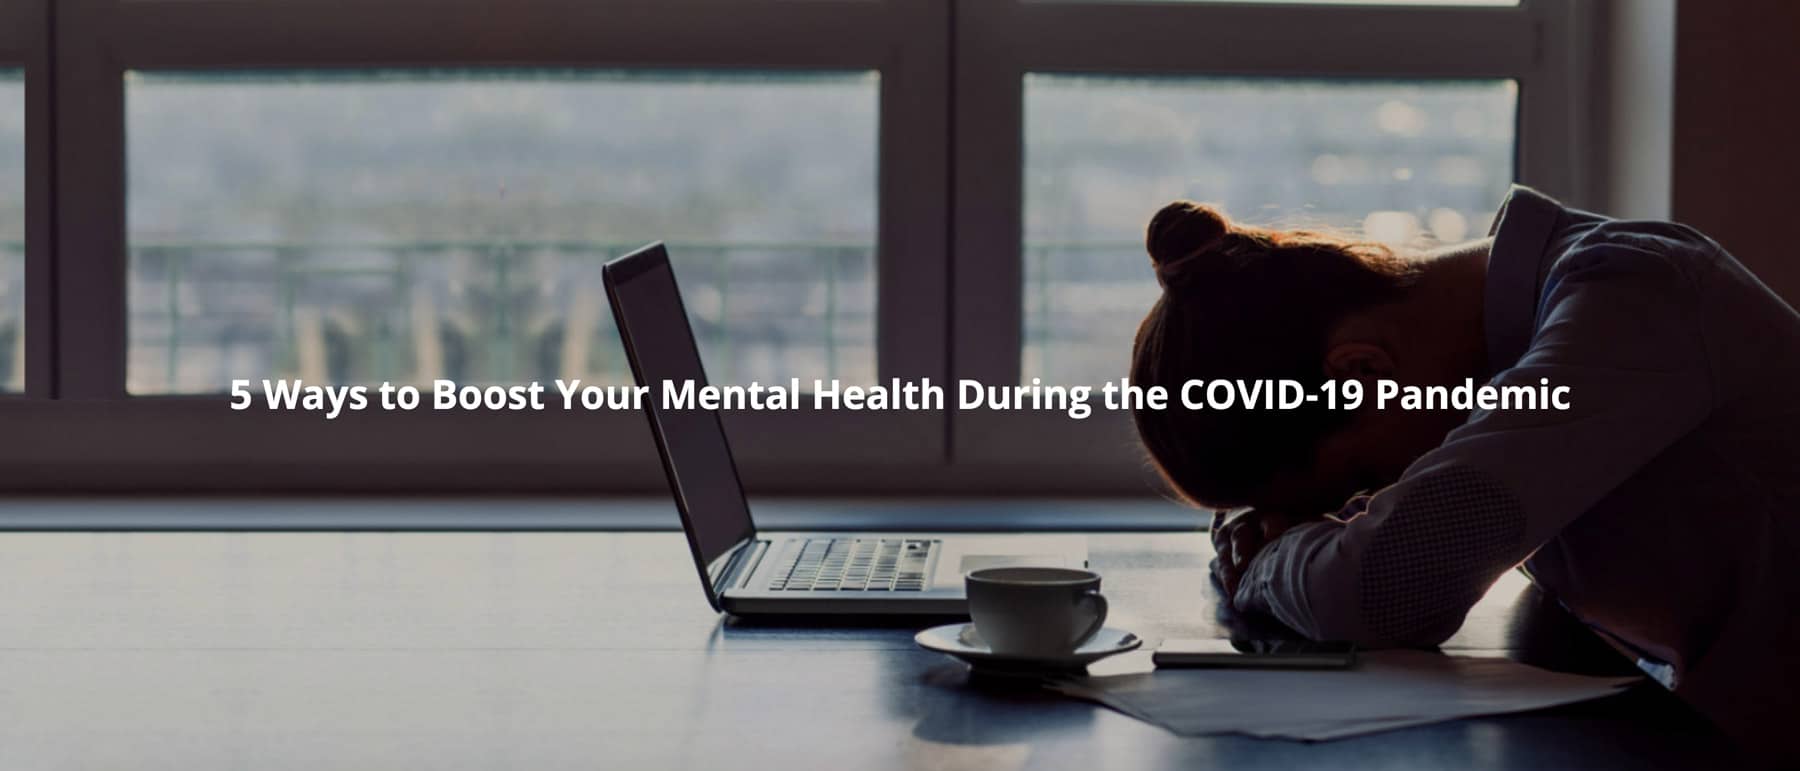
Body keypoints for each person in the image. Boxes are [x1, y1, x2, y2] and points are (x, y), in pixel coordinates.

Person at [1129, 185, 1798, 756]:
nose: (1370, 507)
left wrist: (1266, 564)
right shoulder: (1546, 329)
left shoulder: (1633, 302)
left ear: (1361, 376)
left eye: (1355, 485)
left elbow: (1389, 585)